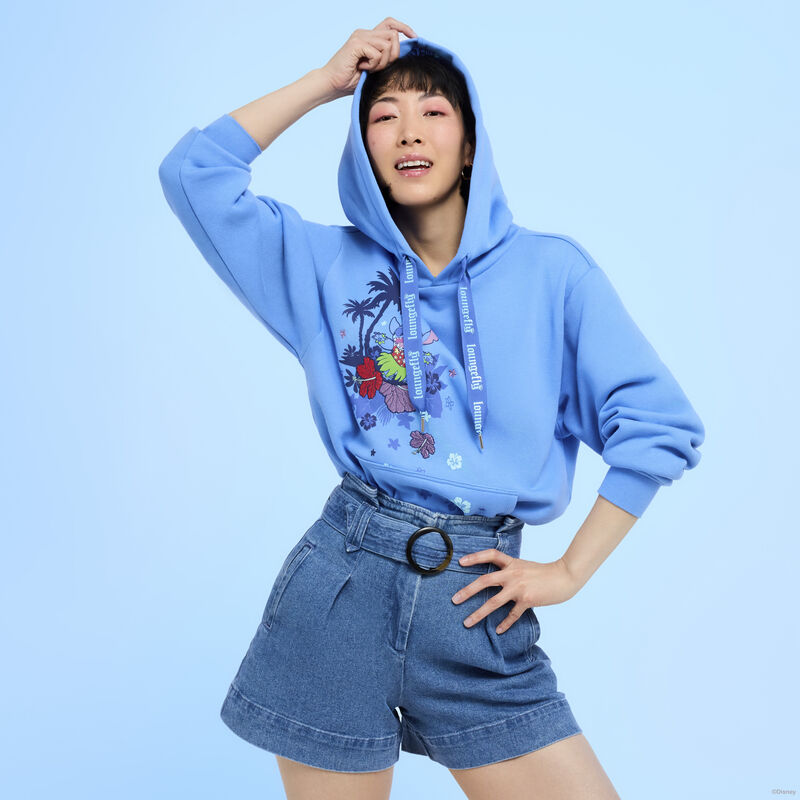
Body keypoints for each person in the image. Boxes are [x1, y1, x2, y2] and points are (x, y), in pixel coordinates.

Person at [158, 18, 705, 800]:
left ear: (470, 143)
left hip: (476, 606)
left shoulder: (553, 275)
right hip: (340, 590)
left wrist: (570, 571)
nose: (409, 130)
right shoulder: (321, 264)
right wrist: (325, 84)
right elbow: (193, 175)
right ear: (365, 151)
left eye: (434, 111)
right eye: (384, 116)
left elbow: (659, 425)